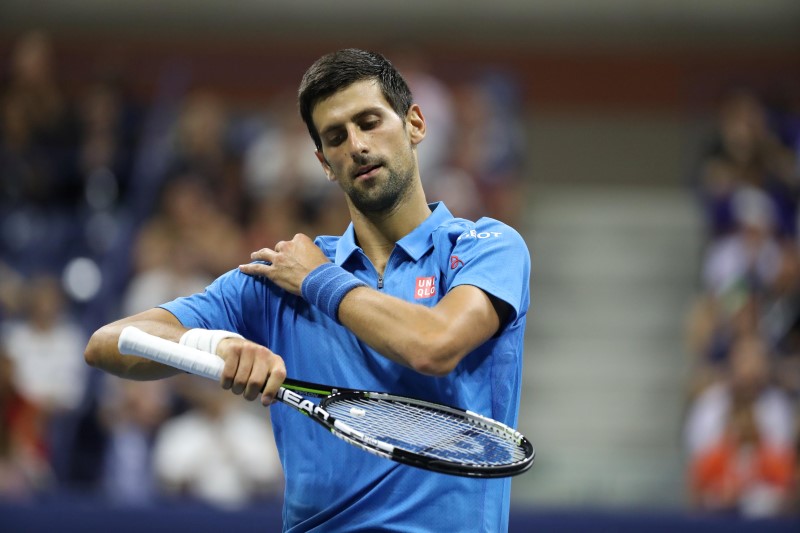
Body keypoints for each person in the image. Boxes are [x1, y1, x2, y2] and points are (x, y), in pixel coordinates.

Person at [85, 48, 531, 532]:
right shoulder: (278, 278)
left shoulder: (484, 246)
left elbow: (434, 346)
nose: (356, 145)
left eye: (370, 121)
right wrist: (215, 344)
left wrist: (319, 281)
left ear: (415, 125)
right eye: (336, 137)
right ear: (323, 162)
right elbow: (108, 343)